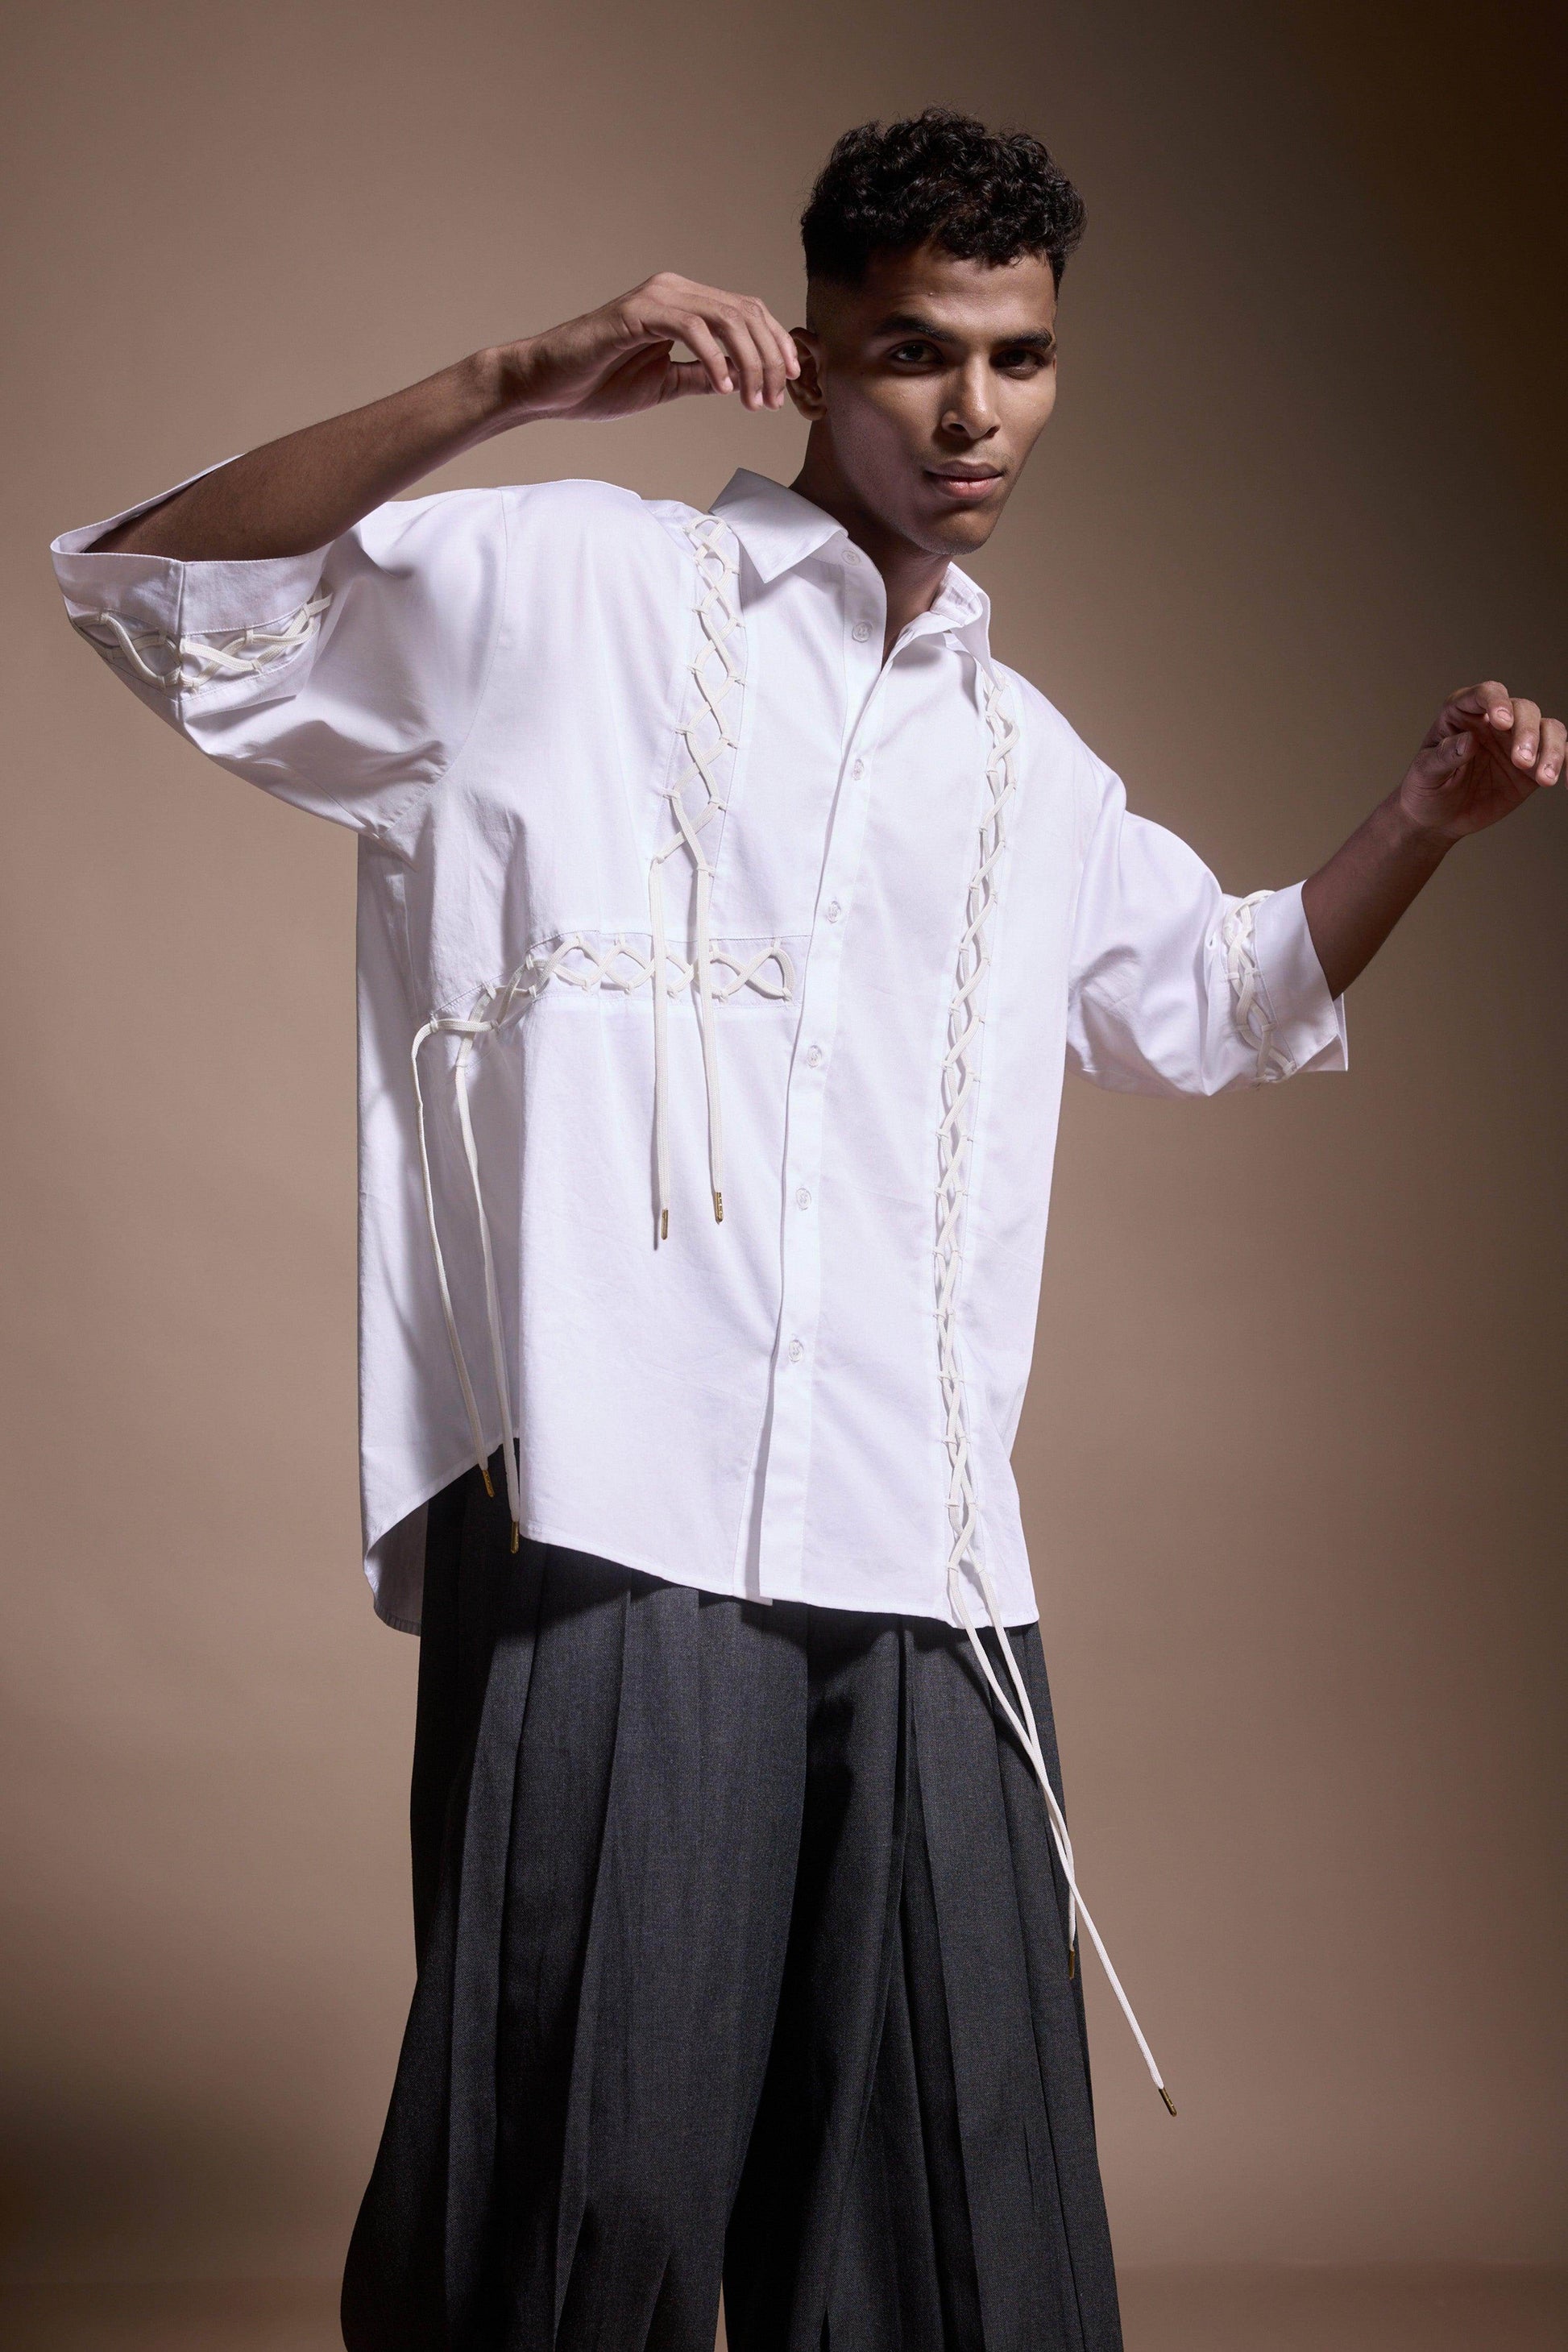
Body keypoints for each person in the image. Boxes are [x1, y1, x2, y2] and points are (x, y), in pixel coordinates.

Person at [51, 107, 1561, 2352]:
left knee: (963, 2213)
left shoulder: (1024, 764)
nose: (974, 415)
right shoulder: (566, 592)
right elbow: (162, 593)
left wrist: (1420, 820)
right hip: (612, 1508)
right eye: (916, 351)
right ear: (814, 350)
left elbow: (1221, 1000)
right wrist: (504, 383)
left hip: (926, 1556)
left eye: (1020, 359)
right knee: (579, 2190)